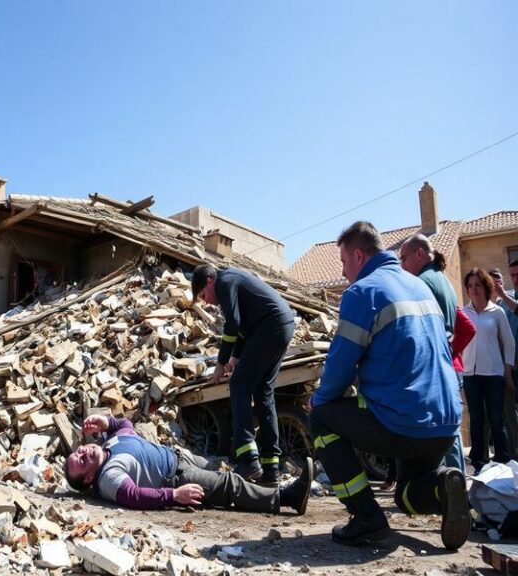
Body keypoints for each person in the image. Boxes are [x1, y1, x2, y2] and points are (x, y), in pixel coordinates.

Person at [309, 221, 468, 550]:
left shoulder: (362, 292)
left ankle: (366, 516)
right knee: (407, 495)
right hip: (446, 423)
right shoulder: (420, 287)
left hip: (402, 421)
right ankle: (443, 486)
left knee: (322, 415)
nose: (342, 272)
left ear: (358, 255)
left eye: (342, 262)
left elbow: (339, 369)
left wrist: (319, 398)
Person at [64, 414, 313, 515]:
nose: (82, 452)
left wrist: (106, 421)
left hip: (181, 456)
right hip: (177, 477)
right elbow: (134, 496)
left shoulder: (110, 444)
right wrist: (174, 495)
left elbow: (125, 426)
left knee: (222, 473)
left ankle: (263, 492)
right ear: (87, 479)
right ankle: (287, 498)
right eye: (80, 462)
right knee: (229, 486)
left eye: (78, 451)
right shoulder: (109, 476)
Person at [191, 264, 295, 485]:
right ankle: (271, 469)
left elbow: (233, 323)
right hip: (281, 325)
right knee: (263, 394)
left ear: (210, 281)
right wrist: (235, 358)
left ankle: (248, 459)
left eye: (203, 295)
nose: (206, 301)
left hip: (271, 327)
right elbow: (245, 325)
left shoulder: (225, 281)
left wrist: (220, 363)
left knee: (238, 385)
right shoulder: (233, 280)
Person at [398, 233, 467, 472]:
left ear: (419, 254)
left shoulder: (422, 282)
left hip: (433, 367)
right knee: (450, 431)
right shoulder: (443, 280)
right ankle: (457, 490)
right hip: (447, 365)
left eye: (404, 258)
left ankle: (439, 492)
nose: (402, 266)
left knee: (435, 435)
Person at [461, 268, 515, 474]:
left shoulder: (497, 312)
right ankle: (478, 461)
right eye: (470, 286)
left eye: (477, 285)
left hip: (493, 373)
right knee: (476, 418)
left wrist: (507, 370)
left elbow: (509, 344)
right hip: (470, 374)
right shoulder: (463, 313)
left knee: (496, 418)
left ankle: (502, 459)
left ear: (485, 286)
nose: (474, 289)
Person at [488, 268, 518, 457]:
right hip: (507, 367)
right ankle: (512, 453)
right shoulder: (490, 306)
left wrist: (503, 295)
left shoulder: (508, 299)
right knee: (508, 413)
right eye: (512, 275)